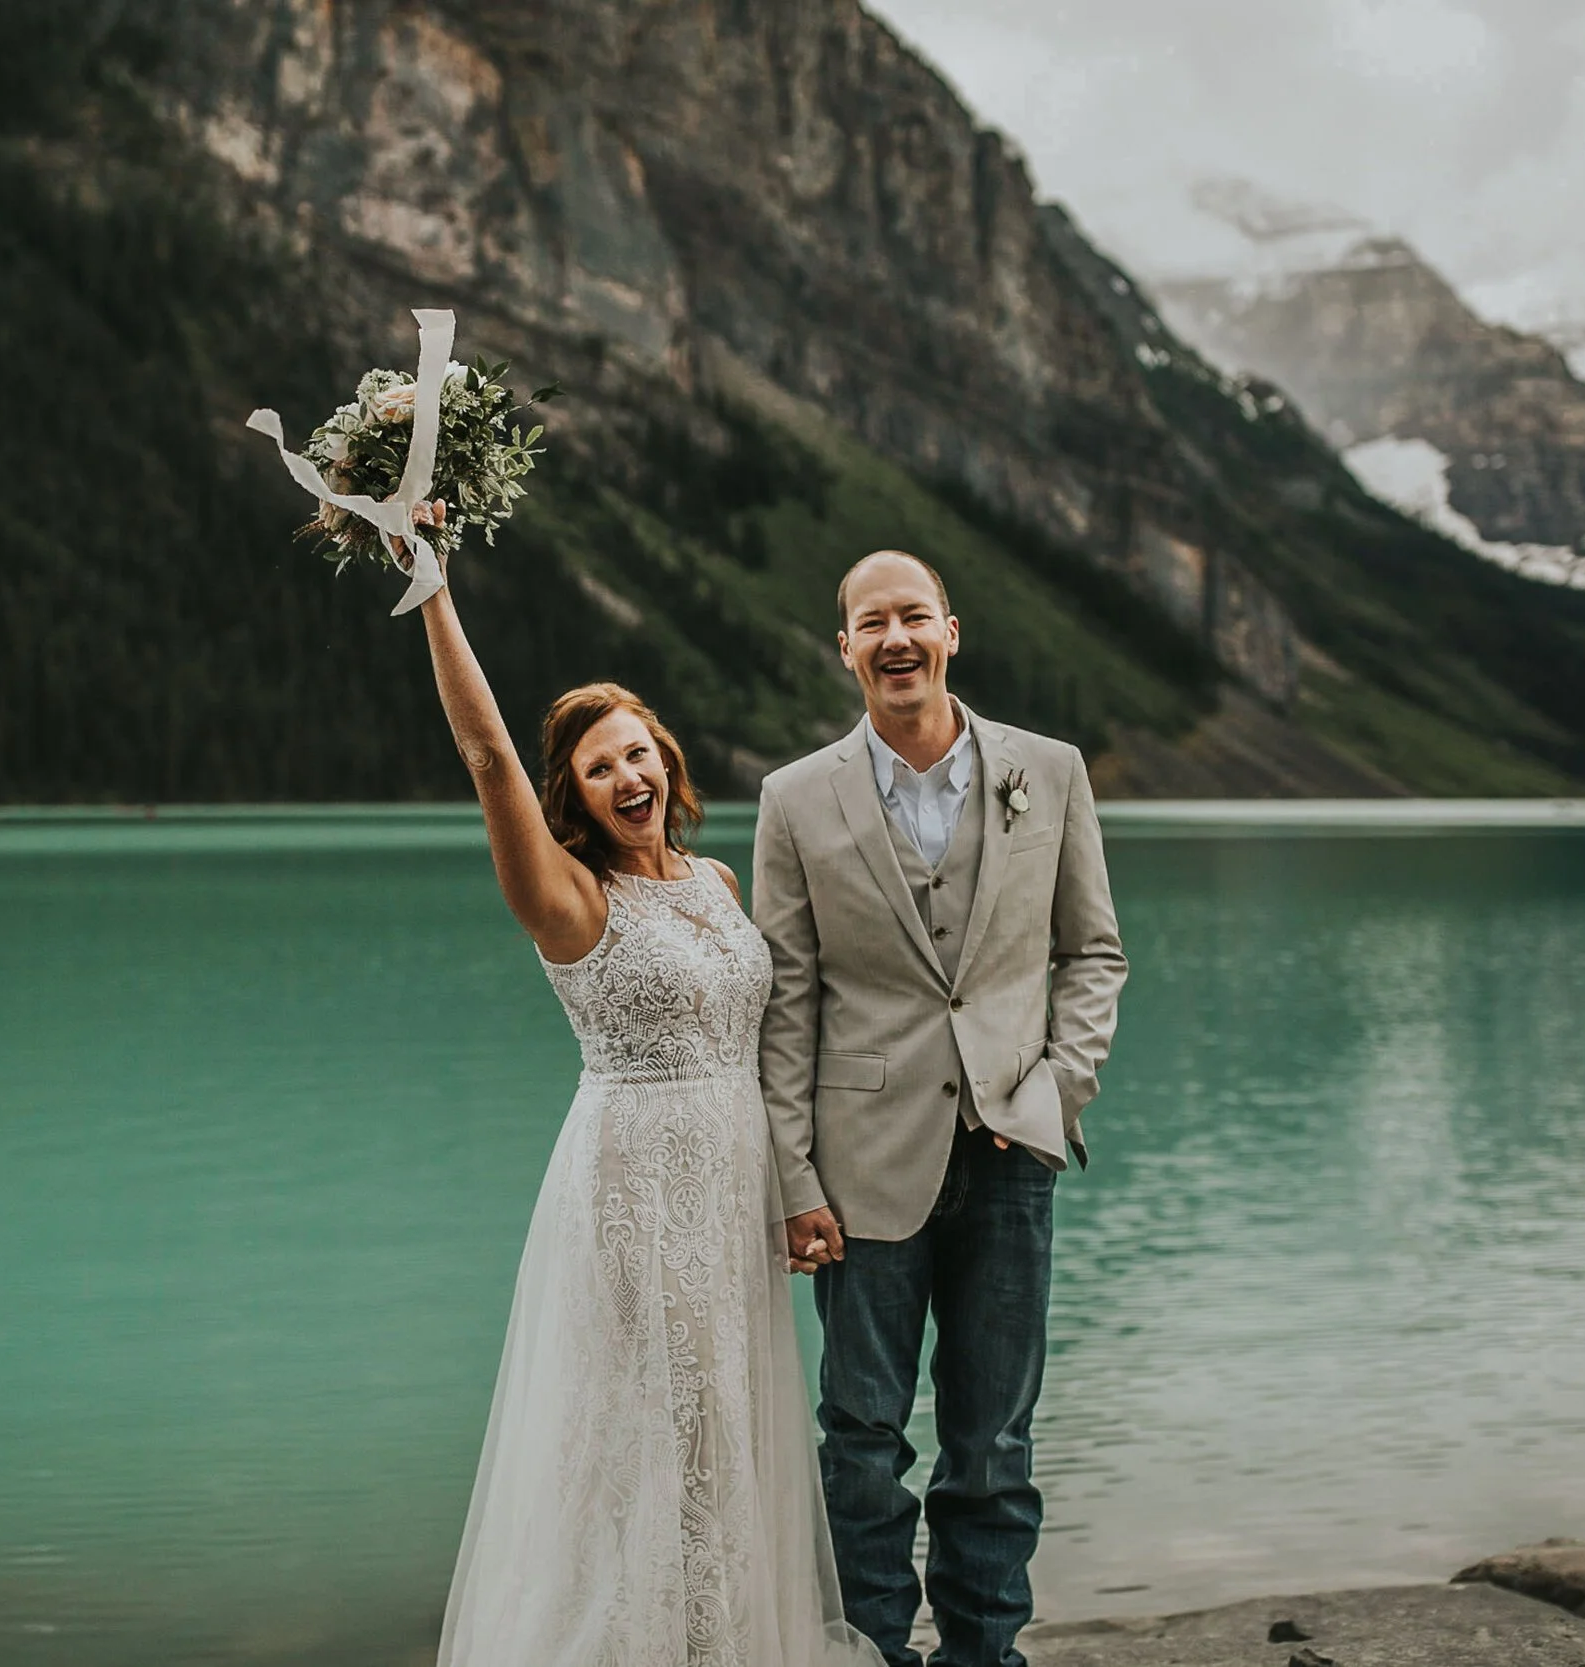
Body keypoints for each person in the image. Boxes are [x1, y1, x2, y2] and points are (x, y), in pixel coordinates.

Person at [413, 503, 881, 1667]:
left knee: (729, 1420)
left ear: (667, 760)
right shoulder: (571, 900)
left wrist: (790, 1187)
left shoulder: (716, 878)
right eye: (599, 765)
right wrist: (430, 582)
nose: (628, 773)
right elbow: (483, 755)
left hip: (730, 1180)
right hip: (636, 1182)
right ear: (571, 793)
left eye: (639, 751)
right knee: (657, 1424)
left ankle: (721, 1638)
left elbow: (760, 1044)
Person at [754, 551, 1128, 1667]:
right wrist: (793, 1178)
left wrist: (1058, 1089)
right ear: (847, 648)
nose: (896, 638)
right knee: (863, 1439)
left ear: (952, 631)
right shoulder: (794, 795)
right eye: (873, 623)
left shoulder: (1049, 771)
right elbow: (784, 1001)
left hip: (1014, 1146)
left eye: (913, 616)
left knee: (993, 1441)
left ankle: (983, 1653)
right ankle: (871, 1651)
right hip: (861, 1164)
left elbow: (1093, 951)